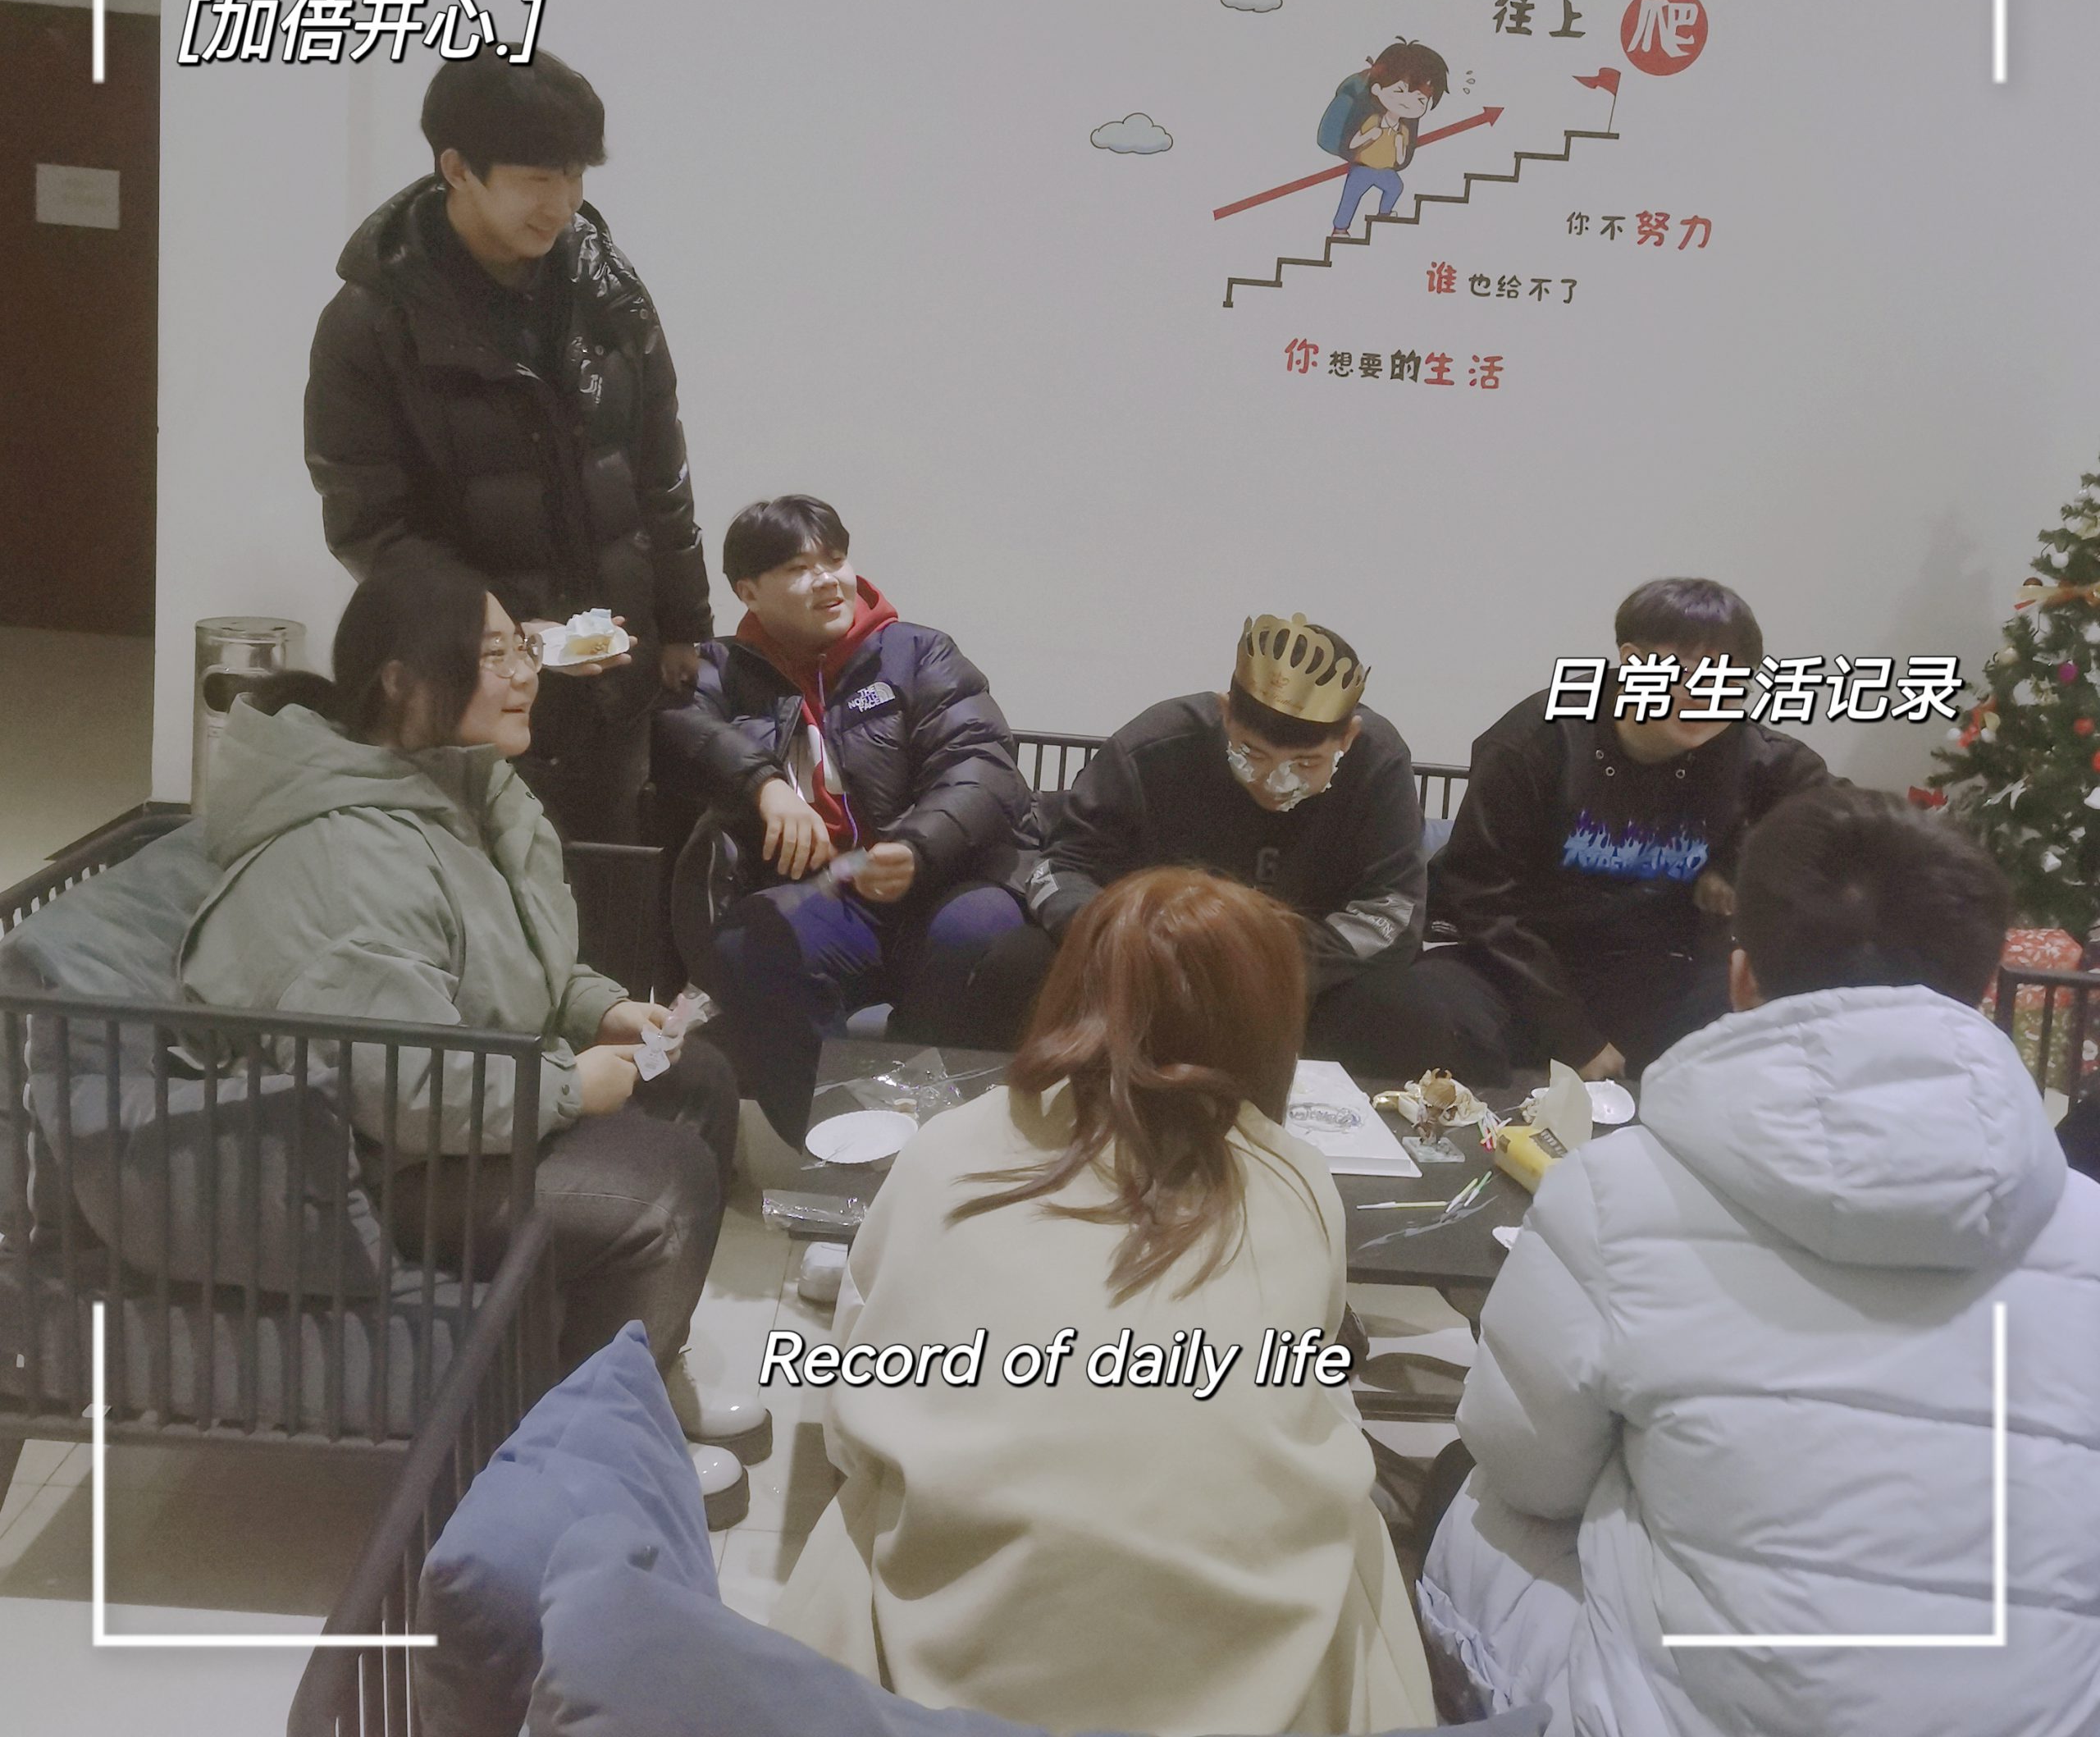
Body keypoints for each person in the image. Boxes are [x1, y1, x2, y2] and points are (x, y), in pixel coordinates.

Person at [1420, 788, 2100, 1737]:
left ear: (1740, 977)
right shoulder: (2085, 1223)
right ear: (1984, 985)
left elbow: (1526, 1468)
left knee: (1469, 1493)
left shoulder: (1618, 1191)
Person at [775, 868, 1438, 1735]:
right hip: (1253, 1677)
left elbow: (852, 1404)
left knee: (865, 1493)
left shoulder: (949, 1148)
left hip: (943, 1667)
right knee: (1348, 1509)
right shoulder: (1296, 1178)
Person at [177, 563, 762, 1515]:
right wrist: (567, 1086)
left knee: (693, 1075)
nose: (525, 672)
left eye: (522, 645)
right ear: (401, 682)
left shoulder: (460, 782)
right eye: (494, 654)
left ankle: (643, 1376)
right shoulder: (349, 851)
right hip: (369, 1160)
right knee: (664, 1187)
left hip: (451, 1095)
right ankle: (585, 1463)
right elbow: (401, 1088)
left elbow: (505, 961)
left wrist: (599, 1009)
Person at [304, 50, 710, 842]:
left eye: (575, 177)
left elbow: (658, 466)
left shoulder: (606, 284)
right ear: (458, 169)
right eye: (536, 179)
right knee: (479, 885)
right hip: (469, 690)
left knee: (602, 880)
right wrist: (513, 639)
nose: (562, 205)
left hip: (615, 679)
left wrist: (685, 623)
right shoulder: (370, 323)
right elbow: (371, 525)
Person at [652, 496, 1033, 1136]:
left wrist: (917, 846)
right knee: (752, 941)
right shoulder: (722, 668)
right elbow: (676, 729)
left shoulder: (918, 653)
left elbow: (981, 763)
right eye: (799, 569)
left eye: (835, 560)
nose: (828, 580)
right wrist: (765, 785)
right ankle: (842, 1144)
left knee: (984, 933)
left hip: (941, 878)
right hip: (828, 895)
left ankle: (933, 1133)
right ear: (749, 592)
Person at [1395, 577, 1829, 1083]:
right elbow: (1480, 898)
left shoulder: (1753, 755)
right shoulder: (1538, 739)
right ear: (1632, 661)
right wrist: (1574, 1037)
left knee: (1769, 1014)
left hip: (1657, 970)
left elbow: (1838, 821)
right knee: (1424, 1009)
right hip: (1521, 963)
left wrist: (1736, 861)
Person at [979, 612, 1440, 1077]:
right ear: (1225, 713)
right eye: (1252, 754)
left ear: (1349, 737)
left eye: (1306, 764)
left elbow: (1392, 909)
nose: (1276, 783)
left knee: (1407, 1009)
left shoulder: (1378, 761)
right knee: (1018, 965)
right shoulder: (1155, 743)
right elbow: (1062, 867)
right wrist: (1131, 946)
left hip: (1299, 975)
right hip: (1145, 961)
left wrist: (1254, 965)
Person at [1329, 37, 1449, 235]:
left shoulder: (1404, 131)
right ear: (1377, 89)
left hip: (1385, 171)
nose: (1409, 101)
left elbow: (1400, 160)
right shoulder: (1373, 120)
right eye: (1400, 90)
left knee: (1396, 187)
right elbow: (1353, 143)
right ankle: (1340, 228)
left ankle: (1384, 214)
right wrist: (1370, 135)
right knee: (1351, 196)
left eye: (1420, 99)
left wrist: (1401, 147)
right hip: (1364, 169)